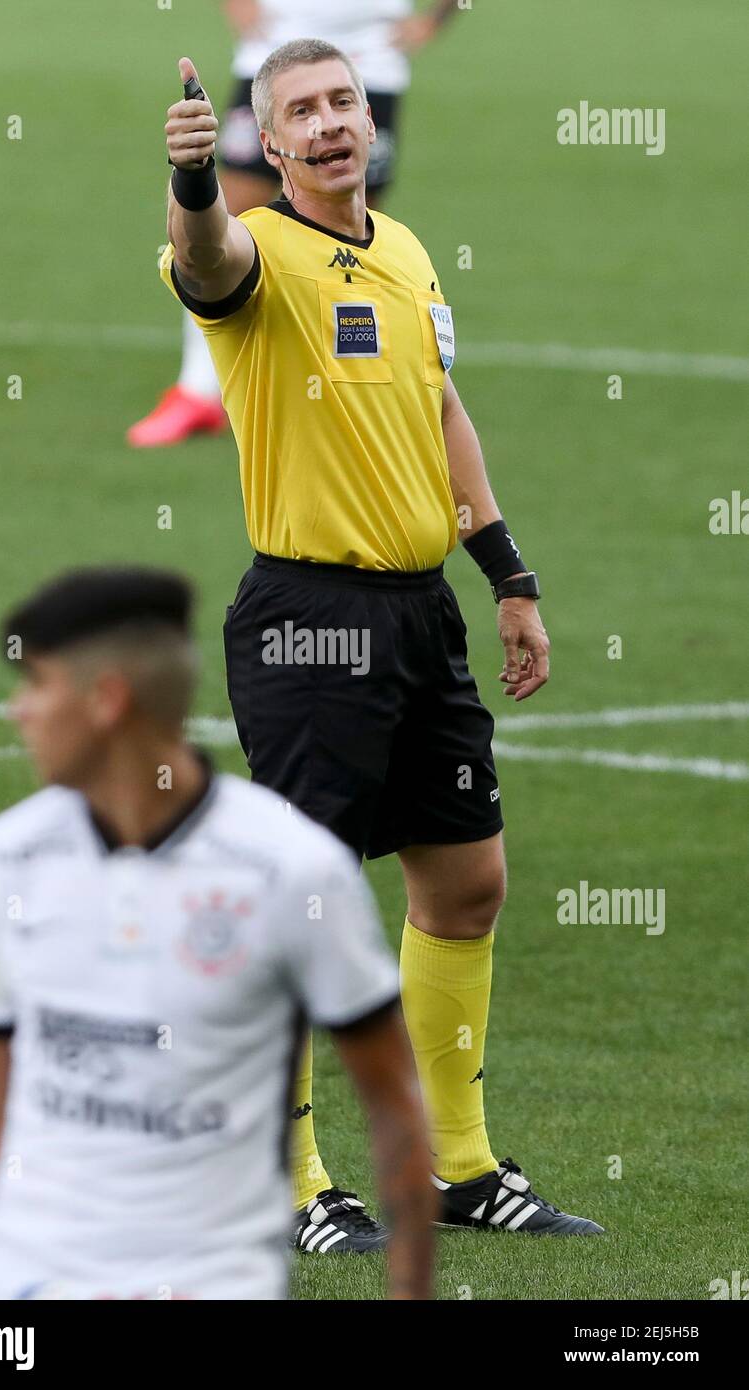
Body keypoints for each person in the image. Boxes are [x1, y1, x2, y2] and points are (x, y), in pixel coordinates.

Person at [158, 41, 605, 1251]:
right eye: (297, 110)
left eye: (342, 100)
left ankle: (455, 1165)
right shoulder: (261, 252)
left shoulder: (403, 253)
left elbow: (438, 408)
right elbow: (207, 262)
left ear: (368, 117)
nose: (327, 122)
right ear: (271, 140)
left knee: (464, 883)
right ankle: (293, 1177)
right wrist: (195, 183)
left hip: (422, 613)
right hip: (310, 617)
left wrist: (505, 572)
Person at [0, 568, 436, 1299]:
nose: (17, 711)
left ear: (107, 701)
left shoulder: (291, 872)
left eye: (36, 685)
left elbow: (394, 1106)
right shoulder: (8, 859)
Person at [127, 0, 463, 447]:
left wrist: (435, 21)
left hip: (372, 57)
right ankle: (198, 389)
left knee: (358, 233)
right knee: (229, 219)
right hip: (274, 50)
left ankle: (355, 384)